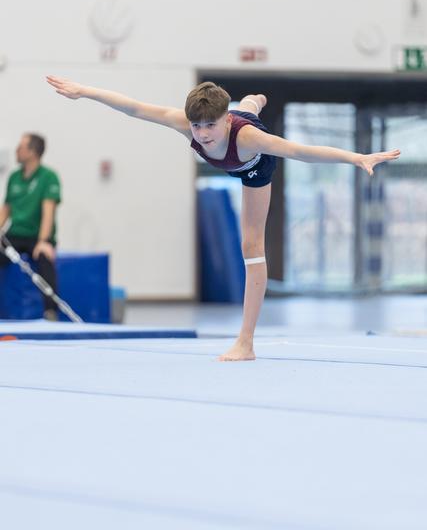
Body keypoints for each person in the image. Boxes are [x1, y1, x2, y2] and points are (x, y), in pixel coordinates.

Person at [46, 76, 400, 360]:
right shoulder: (188, 125)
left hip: (253, 166)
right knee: (251, 104)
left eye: (210, 125)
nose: (202, 133)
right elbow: (135, 108)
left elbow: (300, 151)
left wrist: (356, 158)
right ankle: (252, 100)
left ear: (224, 119)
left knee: (251, 244)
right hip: (237, 130)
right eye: (197, 125)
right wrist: (84, 92)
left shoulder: (248, 138)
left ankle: (245, 342)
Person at [0, 133, 62, 321]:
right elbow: (5, 210)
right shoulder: (14, 177)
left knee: (44, 259)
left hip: (38, 235)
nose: (17, 151)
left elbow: (48, 212)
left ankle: (50, 311)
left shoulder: (49, 177)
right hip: (16, 234)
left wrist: (43, 242)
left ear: (33, 152)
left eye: (21, 147)